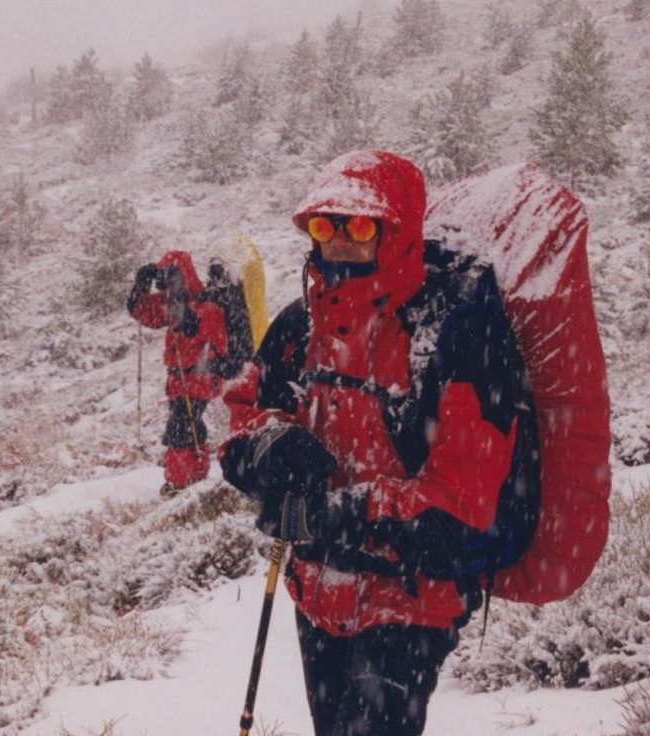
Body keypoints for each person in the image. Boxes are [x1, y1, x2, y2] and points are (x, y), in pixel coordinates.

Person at [220, 151, 540, 736]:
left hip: (411, 601)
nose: (339, 240)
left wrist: (341, 513)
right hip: (317, 591)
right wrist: (270, 446)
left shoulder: (454, 333)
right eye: (325, 225)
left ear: (395, 232)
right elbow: (243, 420)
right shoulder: (299, 326)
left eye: (360, 225)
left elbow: (463, 499)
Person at [127, 250, 234, 491]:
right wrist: (140, 286)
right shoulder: (173, 302)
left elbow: (207, 336)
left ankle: (181, 481)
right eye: (164, 281)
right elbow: (143, 312)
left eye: (172, 278)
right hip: (180, 381)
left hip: (199, 379)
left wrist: (185, 312)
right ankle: (190, 477)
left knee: (182, 428)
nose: (168, 287)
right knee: (187, 427)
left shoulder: (207, 305)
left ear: (184, 275)